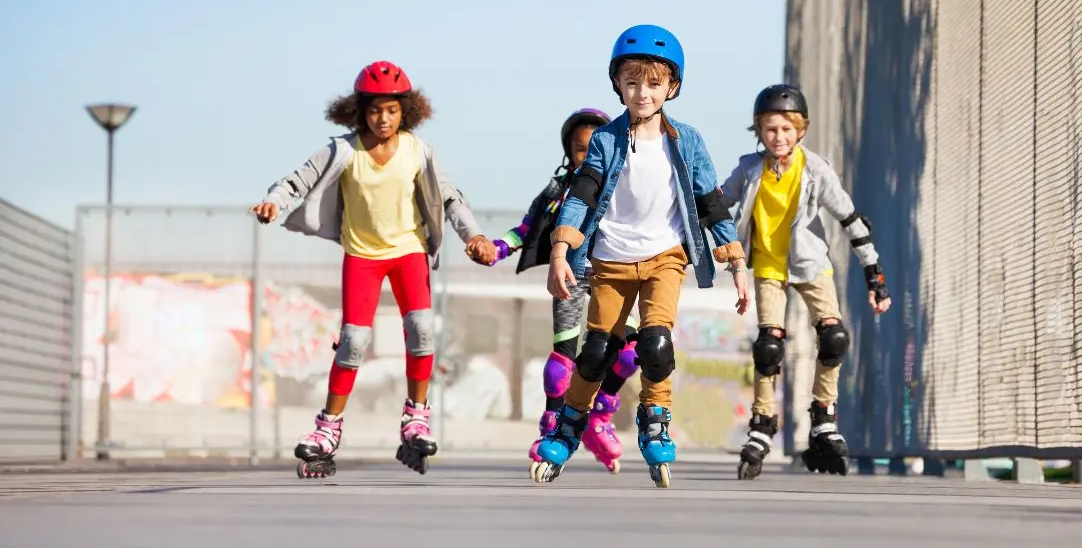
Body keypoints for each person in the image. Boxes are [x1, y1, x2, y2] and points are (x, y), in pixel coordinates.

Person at [530, 24, 750, 488]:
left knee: (655, 345)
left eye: (653, 83)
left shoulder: (686, 140)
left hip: (664, 257)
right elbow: (581, 195)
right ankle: (568, 428)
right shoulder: (607, 141)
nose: (642, 92)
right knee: (594, 354)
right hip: (609, 259)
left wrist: (735, 261)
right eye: (632, 82)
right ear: (617, 85)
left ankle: (656, 424)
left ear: (671, 87)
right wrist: (560, 250)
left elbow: (710, 202)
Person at [251, 60, 495, 478]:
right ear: (360, 110)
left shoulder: (419, 152)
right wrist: (274, 201)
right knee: (353, 342)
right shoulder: (342, 151)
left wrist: (474, 236)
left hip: (409, 252)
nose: (384, 119)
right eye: (375, 110)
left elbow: (450, 200)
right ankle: (328, 429)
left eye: (393, 110)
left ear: (407, 111)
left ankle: (416, 417)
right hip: (362, 256)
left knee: (421, 331)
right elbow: (294, 182)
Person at [719, 84, 890, 479]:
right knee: (768, 346)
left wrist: (873, 274)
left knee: (833, 337)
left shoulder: (816, 170)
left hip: (811, 264)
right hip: (768, 265)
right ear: (758, 131)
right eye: (769, 129)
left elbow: (851, 220)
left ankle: (823, 417)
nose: (777, 137)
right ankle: (763, 423)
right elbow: (718, 202)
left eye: (785, 129)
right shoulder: (749, 169)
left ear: (801, 130)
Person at [479, 108, 638, 473]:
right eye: (581, 149)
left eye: (596, 148)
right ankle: (552, 427)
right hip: (569, 273)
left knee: (629, 355)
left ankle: (599, 417)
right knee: (559, 368)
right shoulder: (558, 189)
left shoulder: (625, 188)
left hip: (612, 276)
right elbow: (526, 228)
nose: (588, 156)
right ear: (570, 152)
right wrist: (497, 249)